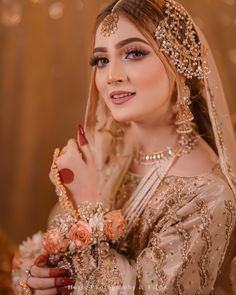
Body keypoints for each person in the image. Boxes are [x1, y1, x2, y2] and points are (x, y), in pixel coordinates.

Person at [12, 0, 236, 294]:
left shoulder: (209, 196)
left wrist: (85, 209)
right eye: (101, 60)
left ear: (180, 63)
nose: (112, 75)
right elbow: (52, 251)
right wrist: (41, 275)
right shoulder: (109, 151)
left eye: (134, 53)